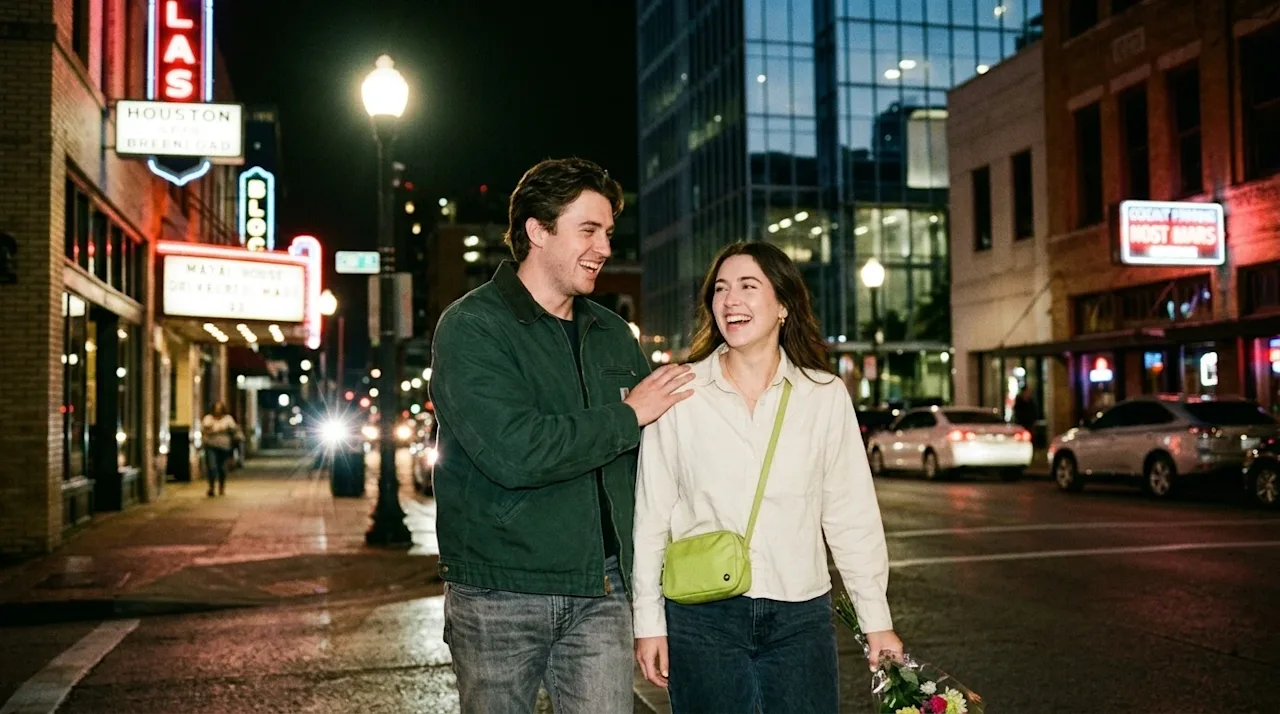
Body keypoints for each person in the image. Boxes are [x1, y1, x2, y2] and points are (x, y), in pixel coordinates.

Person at [429, 158, 694, 714]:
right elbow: (514, 451)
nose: (604, 247)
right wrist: (628, 415)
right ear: (537, 231)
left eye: (609, 233)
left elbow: (656, 451)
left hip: (602, 589)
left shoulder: (613, 333)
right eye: (588, 230)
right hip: (499, 590)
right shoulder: (473, 327)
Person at [632, 241, 904, 713]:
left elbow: (850, 514)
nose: (730, 300)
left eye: (747, 286)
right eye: (720, 289)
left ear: (783, 305)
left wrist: (876, 619)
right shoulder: (680, 393)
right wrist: (648, 621)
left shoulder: (824, 396)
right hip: (702, 617)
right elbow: (651, 515)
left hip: (800, 616)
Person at [200, 402, 239, 497]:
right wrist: (217, 430)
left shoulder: (228, 419)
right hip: (211, 446)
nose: (218, 411)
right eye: (216, 408)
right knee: (212, 467)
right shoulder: (208, 418)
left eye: (220, 408)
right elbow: (204, 429)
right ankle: (211, 487)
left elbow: (234, 430)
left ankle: (221, 487)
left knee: (222, 468)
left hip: (224, 446)